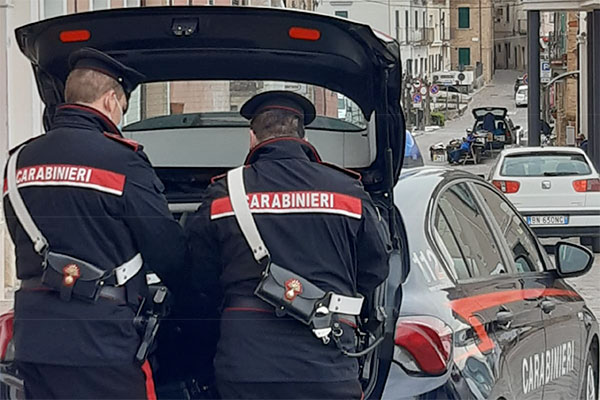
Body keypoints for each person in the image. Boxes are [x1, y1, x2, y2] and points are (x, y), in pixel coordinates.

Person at [3, 47, 187, 399]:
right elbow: (167, 249)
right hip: (103, 342)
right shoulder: (122, 161)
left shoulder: (18, 162)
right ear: (108, 101)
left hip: (35, 340)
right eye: (122, 106)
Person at [185, 91, 391, 399]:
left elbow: (199, 275)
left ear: (252, 137)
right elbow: (376, 268)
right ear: (302, 136)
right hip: (327, 362)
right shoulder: (348, 191)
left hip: (247, 363)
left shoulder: (223, 194)